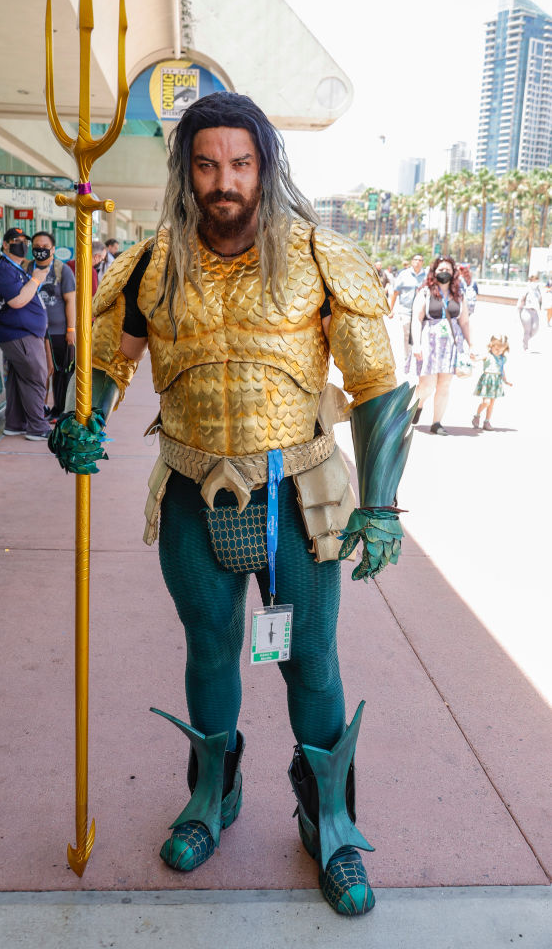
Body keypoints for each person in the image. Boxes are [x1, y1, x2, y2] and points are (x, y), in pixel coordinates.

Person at [49, 92, 415, 918]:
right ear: (187, 169)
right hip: (190, 487)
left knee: (310, 661)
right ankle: (213, 798)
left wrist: (384, 504)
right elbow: (105, 361)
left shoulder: (320, 257)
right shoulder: (148, 264)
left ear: (265, 167)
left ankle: (331, 824)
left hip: (300, 494)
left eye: (240, 164)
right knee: (209, 652)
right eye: (208, 164)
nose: (225, 181)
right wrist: (81, 421)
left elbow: (377, 389)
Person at [0, 227, 52, 440]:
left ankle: (15, 423)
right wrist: (36, 279)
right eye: (16, 240)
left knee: (18, 379)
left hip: (21, 334)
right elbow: (17, 301)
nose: (21, 244)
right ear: (5, 244)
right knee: (35, 377)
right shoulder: (4, 269)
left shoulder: (14, 267)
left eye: (24, 240)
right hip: (19, 335)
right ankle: (38, 427)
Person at [411, 255, 472, 436]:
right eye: (440, 270)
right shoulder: (425, 292)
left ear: (453, 273)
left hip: (452, 345)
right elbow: (417, 319)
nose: (444, 272)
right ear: (434, 272)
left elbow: (465, 322)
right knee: (427, 385)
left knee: (444, 385)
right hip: (430, 342)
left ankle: (436, 422)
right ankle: (418, 405)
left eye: (447, 270)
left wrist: (472, 345)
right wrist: (416, 345)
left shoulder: (459, 295)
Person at [29, 232, 76, 420]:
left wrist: (71, 330)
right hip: (33, 332)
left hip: (58, 332)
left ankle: (59, 410)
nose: (40, 250)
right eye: (37, 246)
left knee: (59, 373)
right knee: (38, 372)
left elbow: (71, 300)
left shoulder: (62, 270)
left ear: (53, 249)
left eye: (44, 246)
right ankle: (39, 408)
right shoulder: (26, 268)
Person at [388, 253, 425, 374]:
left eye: (420, 260)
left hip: (421, 312)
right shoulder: (404, 275)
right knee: (407, 334)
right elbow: (395, 292)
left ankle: (419, 357)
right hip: (406, 311)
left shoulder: (426, 276)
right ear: (412, 261)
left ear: (422, 262)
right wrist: (391, 309)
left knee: (419, 334)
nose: (418, 262)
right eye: (415, 259)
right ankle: (407, 357)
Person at [472, 334, 512, 431]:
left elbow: (502, 370)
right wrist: (474, 357)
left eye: (501, 350)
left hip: (496, 382)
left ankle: (487, 421)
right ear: (491, 346)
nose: (499, 352)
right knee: (486, 402)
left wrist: (506, 380)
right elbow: (478, 358)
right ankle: (477, 416)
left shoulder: (502, 358)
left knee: (491, 404)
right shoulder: (488, 355)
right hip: (487, 381)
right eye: (497, 349)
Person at [516, 274, 542, 350]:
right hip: (526, 310)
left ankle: (525, 339)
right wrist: (518, 311)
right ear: (530, 281)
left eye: (537, 281)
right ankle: (525, 346)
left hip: (535, 311)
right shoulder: (526, 289)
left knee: (535, 329)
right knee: (527, 330)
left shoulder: (538, 290)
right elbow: (521, 300)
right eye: (534, 281)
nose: (536, 283)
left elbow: (540, 300)